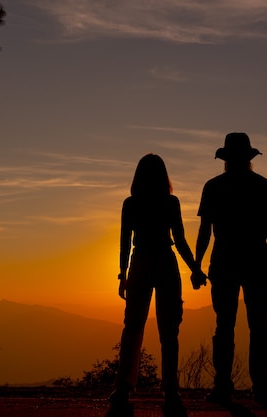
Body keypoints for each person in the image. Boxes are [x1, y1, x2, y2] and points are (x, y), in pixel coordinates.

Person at [193, 133, 267, 404]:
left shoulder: (213, 187)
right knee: (258, 325)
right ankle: (260, 386)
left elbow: (204, 231)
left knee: (225, 326)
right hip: (256, 261)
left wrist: (197, 265)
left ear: (225, 159)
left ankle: (223, 385)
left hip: (224, 261)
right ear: (249, 158)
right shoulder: (264, 186)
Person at [107, 154, 197, 417]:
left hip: (141, 261)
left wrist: (123, 273)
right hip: (165, 262)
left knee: (133, 326)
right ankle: (170, 389)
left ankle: (124, 387)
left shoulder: (131, 203)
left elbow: (125, 242)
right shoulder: (170, 202)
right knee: (169, 329)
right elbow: (179, 239)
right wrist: (194, 268)